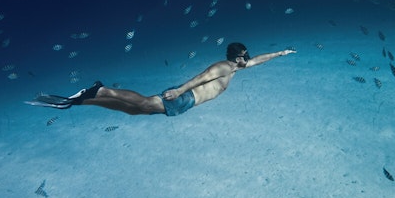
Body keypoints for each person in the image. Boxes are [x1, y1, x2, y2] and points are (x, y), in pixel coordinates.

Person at [26, 42, 296, 116]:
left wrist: (281, 53)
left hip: (186, 101)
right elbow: (202, 77)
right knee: (142, 104)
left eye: (246, 55)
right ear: (233, 56)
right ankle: (100, 90)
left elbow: (258, 60)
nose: (245, 59)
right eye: (242, 56)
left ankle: (90, 98)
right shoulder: (224, 66)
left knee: (136, 112)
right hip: (185, 97)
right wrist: (178, 91)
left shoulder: (237, 67)